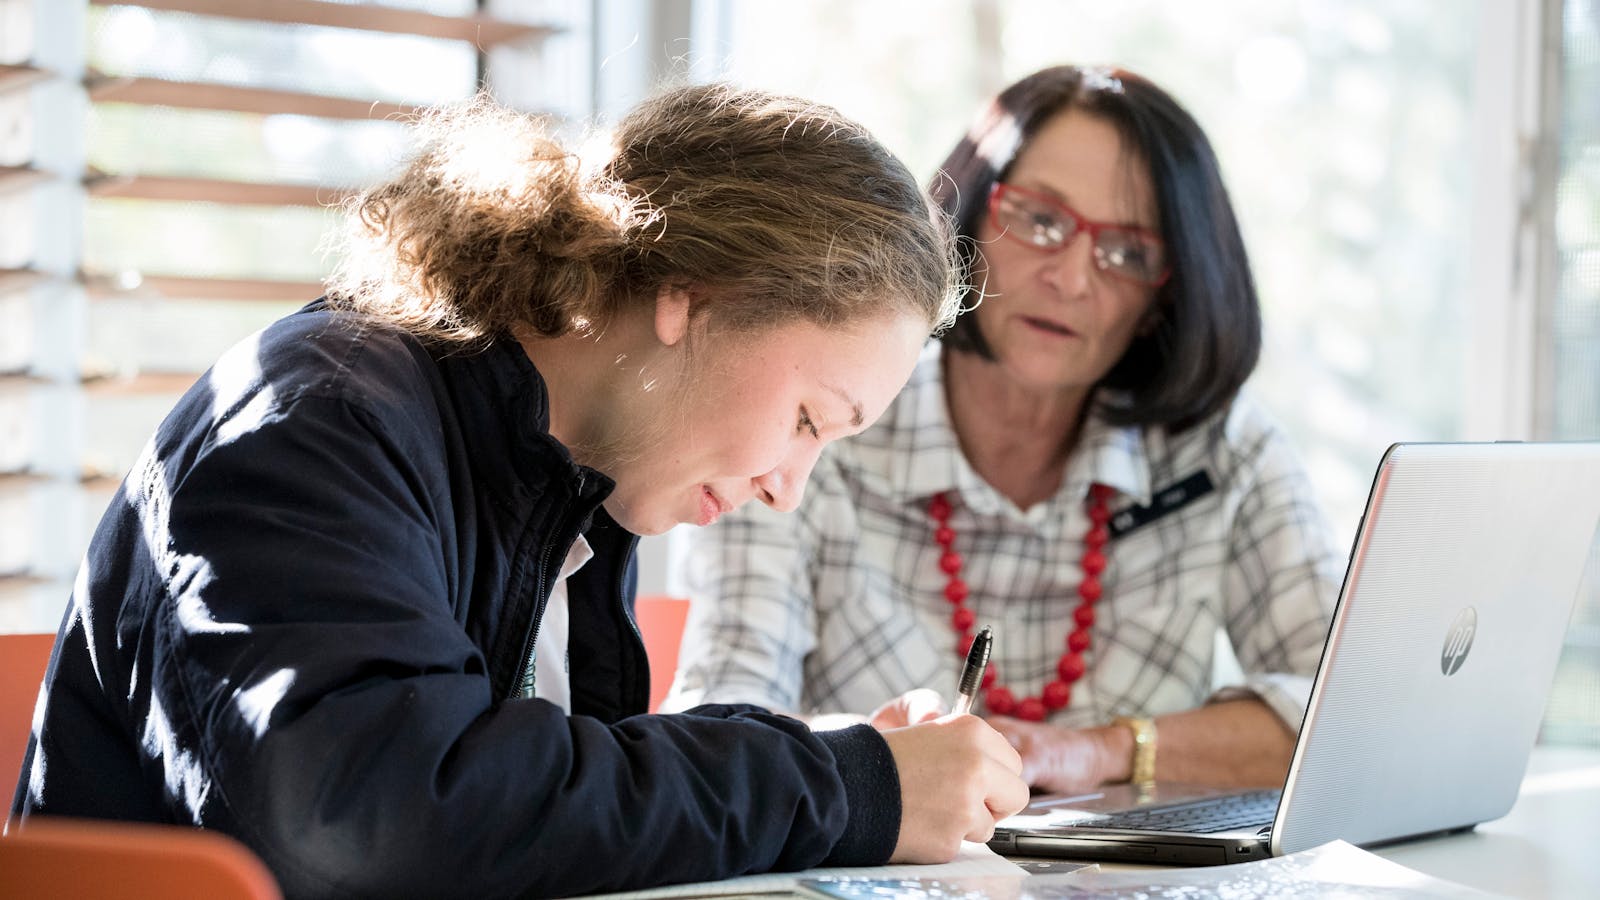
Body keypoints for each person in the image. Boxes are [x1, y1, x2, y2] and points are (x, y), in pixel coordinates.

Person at [8, 85, 1030, 897]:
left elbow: (550, 791)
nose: (787, 489)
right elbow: (381, 816)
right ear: (693, 302)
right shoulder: (315, 423)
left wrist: (841, 759)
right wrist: (845, 789)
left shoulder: (571, 483)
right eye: (810, 419)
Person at [665, 66, 1345, 796]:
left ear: (1165, 297)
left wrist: (1101, 752)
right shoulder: (822, 415)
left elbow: (1349, 716)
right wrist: (873, 766)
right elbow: (717, 725)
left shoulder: (1223, 450)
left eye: (1129, 254)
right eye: (1042, 221)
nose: (1073, 278)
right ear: (969, 219)